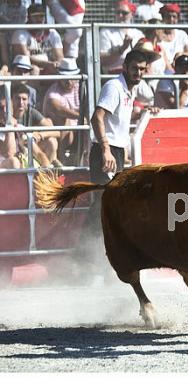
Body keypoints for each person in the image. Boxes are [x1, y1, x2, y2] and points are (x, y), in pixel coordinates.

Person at [75, 49, 158, 284]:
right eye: (135, 68)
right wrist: (105, 148)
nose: (139, 73)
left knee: (109, 206)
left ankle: (92, 262)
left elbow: (115, 119)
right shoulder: (114, 86)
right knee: (103, 206)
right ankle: (85, 261)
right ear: (125, 67)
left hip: (115, 150)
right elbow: (97, 117)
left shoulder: (127, 90)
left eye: (142, 69)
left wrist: (143, 112)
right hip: (108, 150)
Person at [42, 57, 81, 164]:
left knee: (89, 122)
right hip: (60, 134)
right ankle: (61, 159)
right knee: (63, 119)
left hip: (79, 131)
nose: (69, 81)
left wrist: (84, 117)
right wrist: (81, 116)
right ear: (59, 77)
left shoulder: (81, 88)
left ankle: (83, 159)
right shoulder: (53, 92)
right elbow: (58, 109)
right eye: (65, 77)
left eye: (72, 77)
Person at [11, 3, 64, 75]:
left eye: (41, 16)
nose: (39, 19)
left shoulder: (52, 33)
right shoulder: (20, 33)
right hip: (28, 68)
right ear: (28, 17)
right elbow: (25, 59)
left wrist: (55, 65)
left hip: (49, 67)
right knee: (34, 70)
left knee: (61, 71)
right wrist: (47, 64)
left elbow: (60, 57)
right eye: (35, 16)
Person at [99, 1, 145, 74]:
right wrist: (122, 48)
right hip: (114, 76)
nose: (120, 16)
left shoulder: (138, 34)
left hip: (135, 74)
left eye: (124, 13)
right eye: (118, 12)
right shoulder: (106, 32)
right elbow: (103, 61)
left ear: (131, 14)